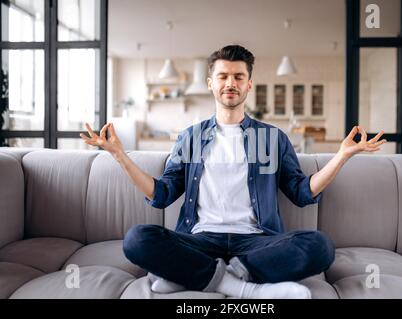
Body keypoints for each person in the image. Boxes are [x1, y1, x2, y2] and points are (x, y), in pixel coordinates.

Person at [80, 45, 386, 299]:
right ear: (211, 83)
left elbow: (302, 192)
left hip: (257, 241)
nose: (231, 83)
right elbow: (162, 195)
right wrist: (119, 155)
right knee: (137, 239)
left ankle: (196, 276)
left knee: (319, 247)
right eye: (223, 76)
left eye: (239, 76)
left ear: (249, 84)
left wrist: (342, 156)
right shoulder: (190, 137)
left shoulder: (272, 138)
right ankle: (240, 286)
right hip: (199, 239)